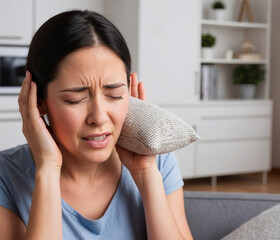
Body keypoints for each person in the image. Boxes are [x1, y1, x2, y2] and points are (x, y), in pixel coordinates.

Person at [0, 10, 193, 240]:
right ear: (38, 101)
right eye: (75, 99)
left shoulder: (158, 162)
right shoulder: (6, 177)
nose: (99, 117)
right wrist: (48, 169)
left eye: (114, 94)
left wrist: (146, 173)